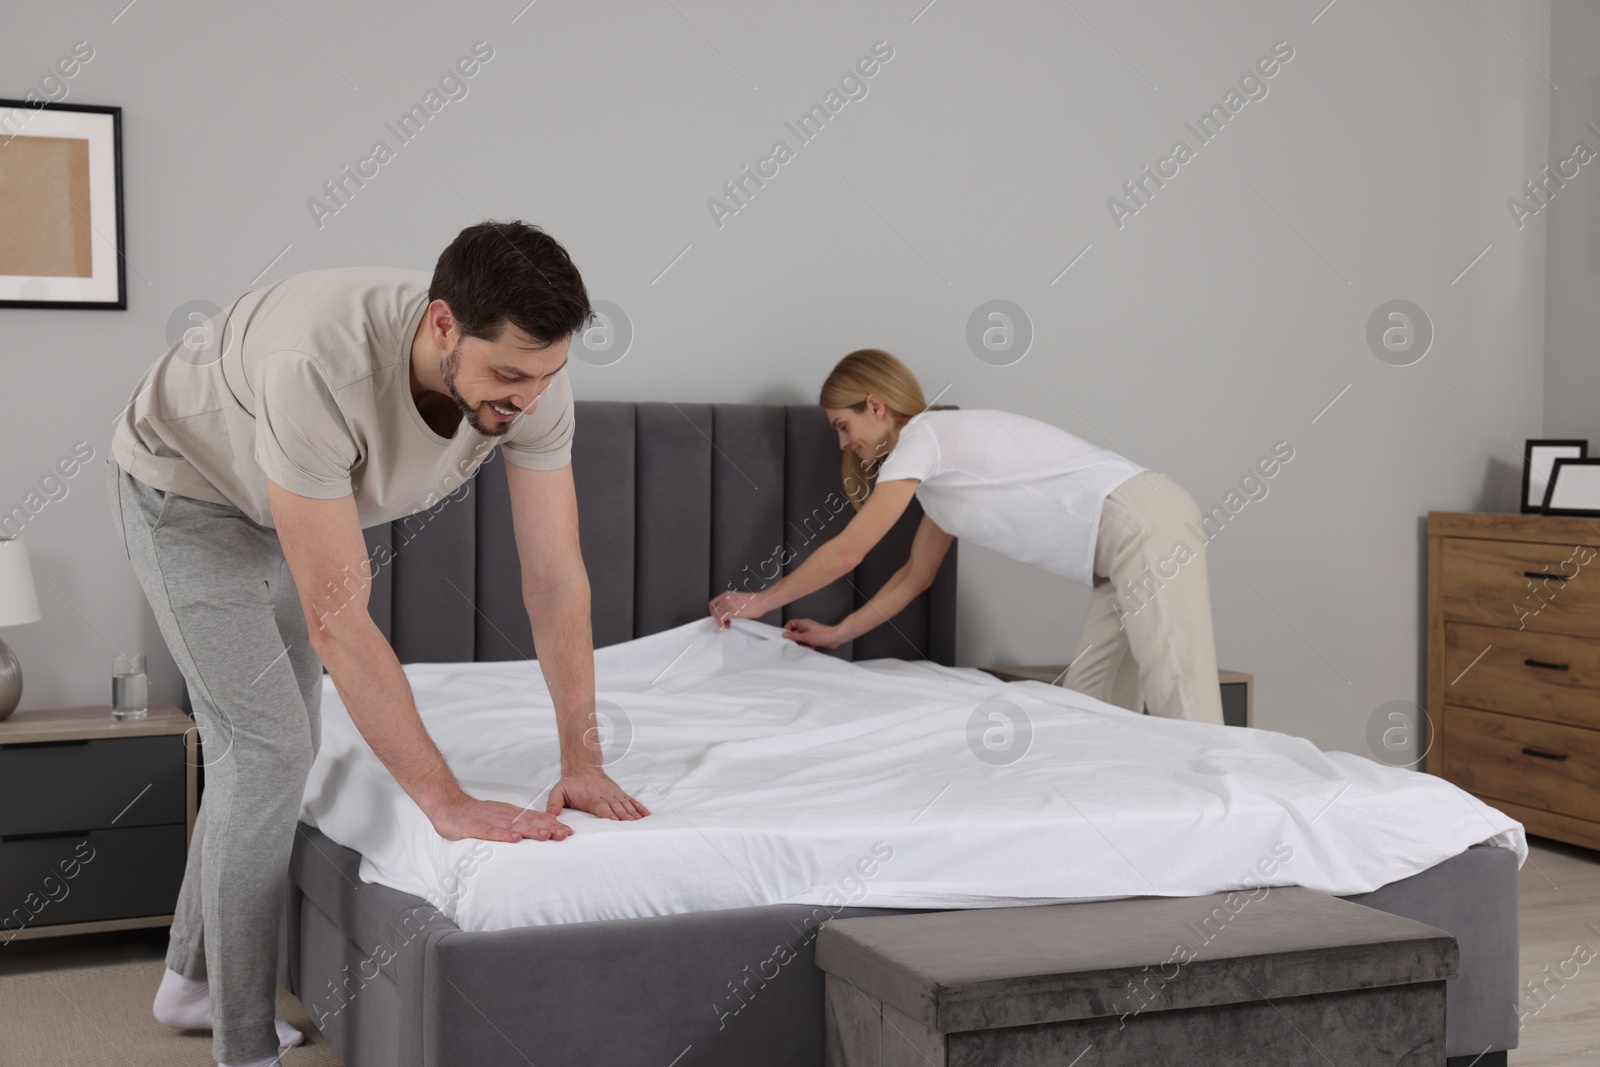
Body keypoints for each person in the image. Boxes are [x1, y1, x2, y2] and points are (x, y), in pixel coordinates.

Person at [107, 220, 648, 1067]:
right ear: (442, 327)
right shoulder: (318, 366)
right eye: (508, 373)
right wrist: (445, 800)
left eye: (548, 374)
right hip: (187, 492)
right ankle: (240, 1045)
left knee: (292, 738)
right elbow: (339, 618)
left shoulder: (534, 383)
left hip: (284, 493)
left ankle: (186, 978)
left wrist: (581, 756)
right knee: (268, 748)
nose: (528, 397)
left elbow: (554, 577)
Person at [707, 348, 1224, 726]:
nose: (845, 443)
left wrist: (759, 601)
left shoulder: (923, 437)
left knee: (1183, 695)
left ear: (876, 405)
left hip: (1141, 521)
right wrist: (840, 633)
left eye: (844, 426)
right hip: (1116, 562)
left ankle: (1241, 824)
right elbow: (916, 575)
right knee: (1090, 713)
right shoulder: (939, 484)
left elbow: (849, 551)